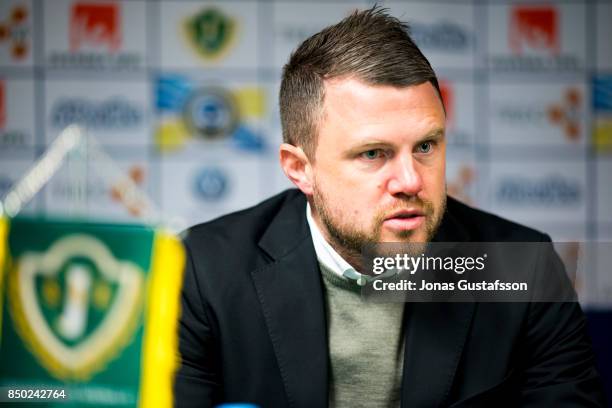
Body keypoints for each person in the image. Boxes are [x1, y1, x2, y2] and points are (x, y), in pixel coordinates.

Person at [174, 7, 605, 408]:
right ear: (300, 168)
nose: (411, 180)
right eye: (373, 153)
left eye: (425, 146)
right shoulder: (203, 270)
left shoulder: (520, 269)